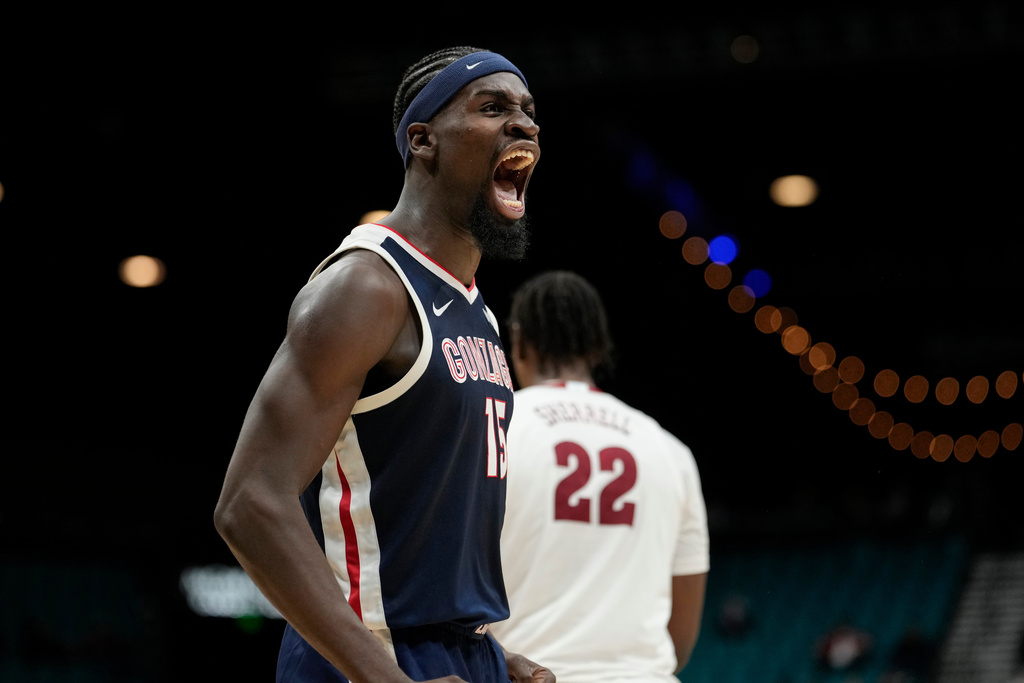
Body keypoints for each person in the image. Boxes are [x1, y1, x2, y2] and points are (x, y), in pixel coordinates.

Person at [214, 46, 554, 683]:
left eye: (529, 112)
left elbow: (418, 531)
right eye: (493, 107)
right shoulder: (367, 287)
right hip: (367, 657)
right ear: (421, 140)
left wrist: (489, 656)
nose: (524, 124)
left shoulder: (475, 309)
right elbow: (248, 504)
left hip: (454, 653)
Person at [489, 270, 710, 682]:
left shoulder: (494, 430)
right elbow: (680, 639)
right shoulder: (671, 451)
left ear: (517, 342)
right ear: (597, 348)